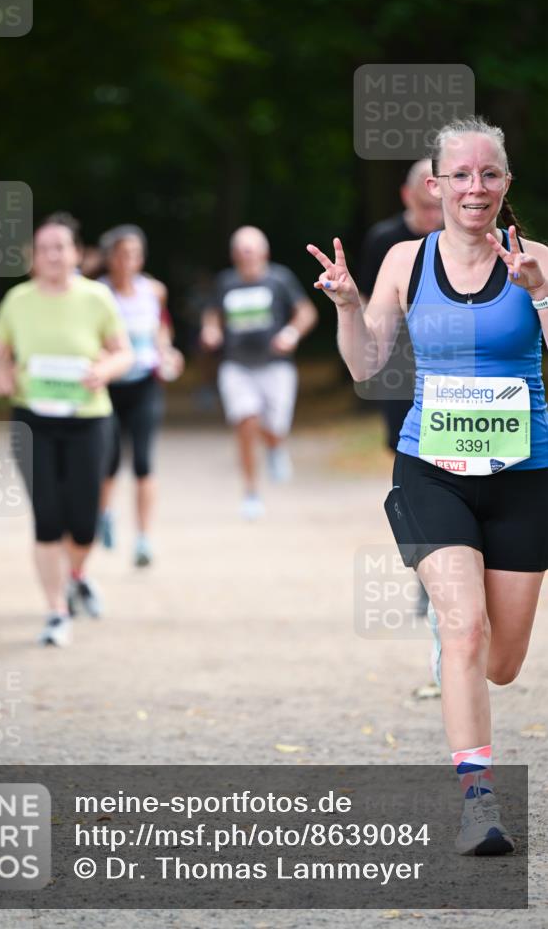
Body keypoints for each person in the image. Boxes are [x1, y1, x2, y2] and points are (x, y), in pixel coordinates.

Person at [308, 117, 548, 856]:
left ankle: (459, 656)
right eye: (460, 175)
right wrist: (348, 306)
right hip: (429, 470)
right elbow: (364, 366)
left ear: (504, 184)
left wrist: (538, 297)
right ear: (434, 185)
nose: (474, 187)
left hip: (524, 476)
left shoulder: (538, 259)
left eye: (489, 174)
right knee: (463, 627)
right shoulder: (405, 262)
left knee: (500, 663)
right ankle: (479, 802)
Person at [0, 213, 133, 647]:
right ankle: (55, 611)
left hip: (88, 420)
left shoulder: (97, 298)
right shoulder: (17, 300)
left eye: (60, 247)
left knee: (83, 523)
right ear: (33, 257)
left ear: (77, 254)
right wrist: (2, 373)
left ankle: (77, 575)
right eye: (44, 248)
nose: (52, 255)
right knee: (47, 517)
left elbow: (123, 353)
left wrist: (104, 369)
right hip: (33, 421)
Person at [358, 161, 443, 622]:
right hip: (400, 373)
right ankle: (425, 574)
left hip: (450, 373)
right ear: (407, 196)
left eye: (439, 207)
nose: (435, 216)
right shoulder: (384, 240)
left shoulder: (461, 237)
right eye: (427, 206)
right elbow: (373, 305)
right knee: (409, 474)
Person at [202, 226, 317, 519]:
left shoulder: (279, 279)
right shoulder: (226, 282)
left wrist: (291, 333)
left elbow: (306, 312)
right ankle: (251, 493)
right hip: (237, 367)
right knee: (246, 422)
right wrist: (211, 330)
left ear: (264, 252)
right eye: (241, 251)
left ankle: (276, 446)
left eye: (251, 250)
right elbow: (212, 313)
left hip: (275, 367)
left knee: (273, 427)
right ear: (234, 255)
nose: (246, 256)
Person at [96, 224, 184, 567]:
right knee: (109, 460)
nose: (128, 260)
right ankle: (104, 515)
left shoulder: (154, 291)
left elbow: (162, 329)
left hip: (145, 383)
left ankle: (144, 538)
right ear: (110, 258)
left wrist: (167, 352)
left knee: (144, 461)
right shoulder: (97, 293)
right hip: (108, 386)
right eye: (121, 254)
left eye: (134, 254)